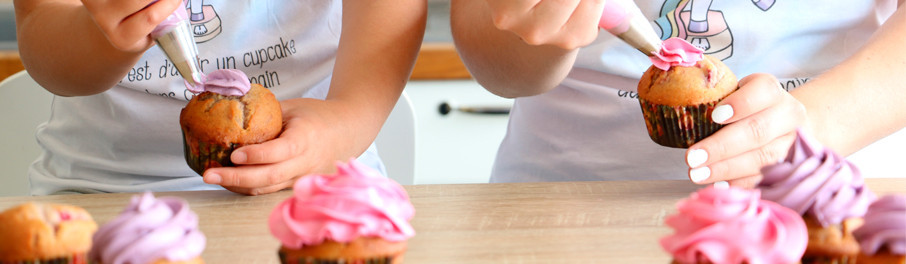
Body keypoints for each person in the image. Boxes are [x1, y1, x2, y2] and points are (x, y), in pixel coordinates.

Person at [451, 0, 906, 186]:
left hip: (834, 197)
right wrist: (531, 21)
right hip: (569, 206)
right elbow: (494, 59)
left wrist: (816, 122)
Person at [14, 0, 426, 195]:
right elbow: (42, 35)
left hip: (322, 184)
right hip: (105, 191)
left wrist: (346, 119)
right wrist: (108, 32)